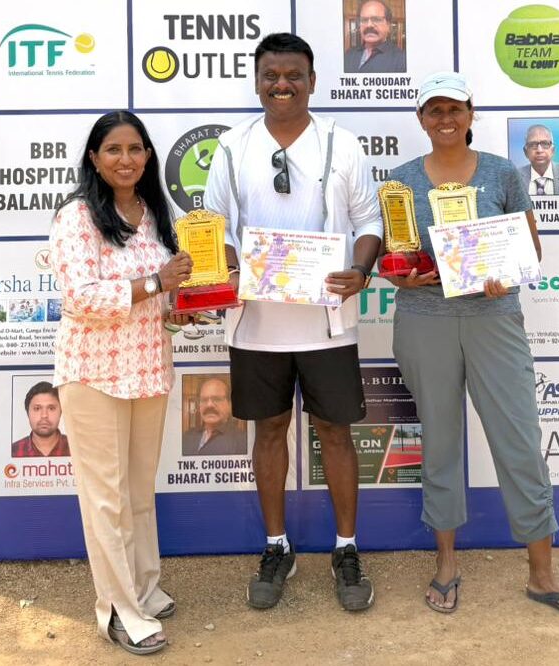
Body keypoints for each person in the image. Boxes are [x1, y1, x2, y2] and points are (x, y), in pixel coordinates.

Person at [385, 72, 559, 626]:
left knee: (520, 443)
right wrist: (400, 276)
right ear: (421, 119)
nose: (445, 119)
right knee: (440, 443)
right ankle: (446, 564)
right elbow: (396, 255)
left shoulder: (503, 172)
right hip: (425, 320)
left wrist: (507, 271)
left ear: (471, 113)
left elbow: (530, 249)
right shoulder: (401, 180)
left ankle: (542, 574)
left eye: (454, 108)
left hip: (494, 319)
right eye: (434, 110)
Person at [203, 32, 382, 612]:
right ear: (258, 82)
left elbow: (368, 220)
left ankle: (346, 548)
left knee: (335, 432)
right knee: (270, 429)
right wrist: (233, 266)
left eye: (294, 76)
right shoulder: (232, 147)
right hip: (256, 322)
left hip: (328, 320)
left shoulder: (341, 143)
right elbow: (215, 227)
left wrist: (361, 269)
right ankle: (277, 546)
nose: (282, 85)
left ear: (312, 81)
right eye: (271, 76)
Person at [49, 111, 193, 655]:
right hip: (93, 374)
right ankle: (118, 611)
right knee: (105, 499)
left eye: (135, 149)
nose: (126, 159)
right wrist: (155, 283)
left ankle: (145, 588)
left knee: (137, 491)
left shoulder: (153, 213)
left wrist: (177, 308)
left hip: (148, 367)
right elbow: (80, 298)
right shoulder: (78, 216)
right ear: (94, 158)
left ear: (148, 156)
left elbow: (158, 297)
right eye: (113, 150)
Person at [182, 377, 247, 456]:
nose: (209, 405)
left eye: (217, 399)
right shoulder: (186, 437)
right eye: (204, 400)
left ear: (229, 405)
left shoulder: (243, 441)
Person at [344, 0, 406, 73]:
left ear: (388, 26)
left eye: (376, 19)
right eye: (364, 20)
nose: (369, 25)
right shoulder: (349, 54)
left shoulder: (401, 60)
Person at [11, 381, 70, 457]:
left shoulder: (77, 449)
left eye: (51, 408)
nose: (44, 415)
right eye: (37, 408)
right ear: (28, 413)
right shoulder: (13, 451)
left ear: (61, 411)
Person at [518, 124, 559, 195]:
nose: (539, 150)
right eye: (533, 144)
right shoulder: (515, 176)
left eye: (545, 144)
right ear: (525, 152)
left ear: (553, 150)